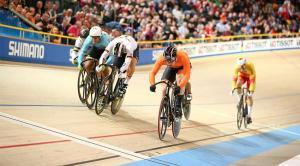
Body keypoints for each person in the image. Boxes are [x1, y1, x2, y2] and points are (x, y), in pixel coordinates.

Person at [149, 45, 192, 118]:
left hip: (182, 67)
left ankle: (178, 104)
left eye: (171, 60)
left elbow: (187, 75)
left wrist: (180, 86)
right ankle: (166, 109)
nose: (169, 62)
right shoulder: (162, 59)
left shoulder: (183, 56)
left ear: (175, 57)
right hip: (171, 68)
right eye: (167, 60)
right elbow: (152, 72)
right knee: (164, 87)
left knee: (180, 79)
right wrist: (152, 84)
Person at [231, 57, 256, 124]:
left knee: (249, 96)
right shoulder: (236, 68)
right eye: (240, 66)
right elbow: (234, 79)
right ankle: (240, 101)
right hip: (242, 76)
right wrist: (233, 88)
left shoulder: (250, 65)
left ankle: (249, 116)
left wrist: (251, 90)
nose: (242, 68)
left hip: (250, 77)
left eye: (243, 66)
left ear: (245, 64)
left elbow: (253, 80)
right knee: (238, 84)